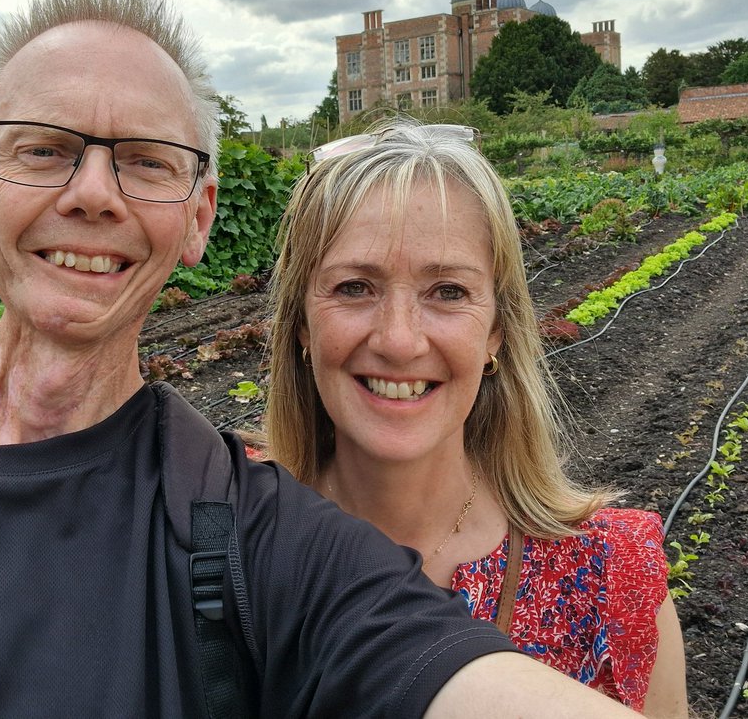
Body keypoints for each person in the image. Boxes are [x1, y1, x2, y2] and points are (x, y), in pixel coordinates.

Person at [0, 0, 644, 718]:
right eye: (41, 147)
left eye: (146, 160)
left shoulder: (248, 527)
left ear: (197, 218)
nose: (93, 194)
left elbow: (427, 658)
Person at [265, 119, 689, 718]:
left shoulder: (612, 579)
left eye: (448, 292)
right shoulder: (230, 543)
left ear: (495, 332)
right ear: (302, 327)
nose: (400, 341)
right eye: (355, 287)